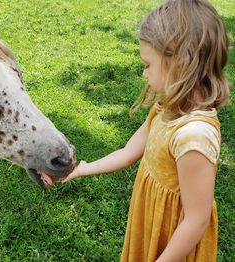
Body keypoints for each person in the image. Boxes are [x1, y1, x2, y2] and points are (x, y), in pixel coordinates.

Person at [60, 0, 230, 261]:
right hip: (152, 218)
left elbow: (196, 221)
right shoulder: (165, 108)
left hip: (176, 242)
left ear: (181, 64)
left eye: (148, 64)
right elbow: (129, 152)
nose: (143, 73)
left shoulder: (194, 136)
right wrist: (84, 168)